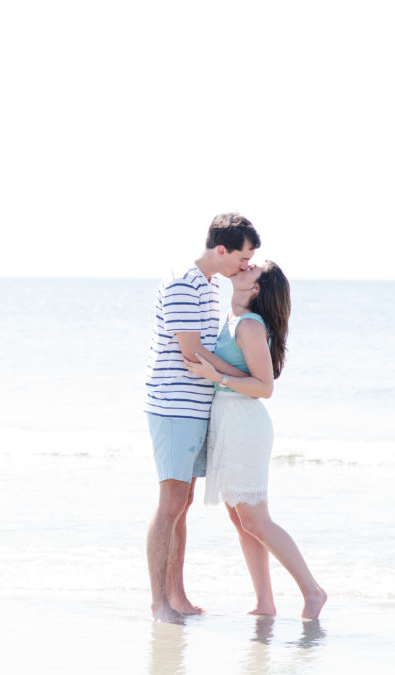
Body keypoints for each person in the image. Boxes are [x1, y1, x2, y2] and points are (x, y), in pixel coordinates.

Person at [185, 260, 327, 620]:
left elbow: (264, 387)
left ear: (257, 289)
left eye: (253, 269)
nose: (244, 266)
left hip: (244, 424)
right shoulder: (235, 321)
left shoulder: (249, 325)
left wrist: (216, 374)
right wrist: (216, 372)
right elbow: (239, 371)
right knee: (241, 520)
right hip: (229, 422)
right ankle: (265, 603)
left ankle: (312, 591)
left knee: (256, 519)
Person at [145, 213, 259, 623]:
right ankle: (160, 604)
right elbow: (190, 352)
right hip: (174, 405)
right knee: (170, 501)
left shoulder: (208, 286)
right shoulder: (182, 283)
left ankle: (177, 596)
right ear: (222, 249)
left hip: (197, 406)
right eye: (243, 257)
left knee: (184, 501)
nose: (245, 266)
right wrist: (238, 377)